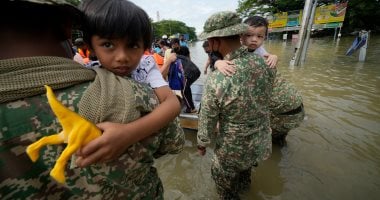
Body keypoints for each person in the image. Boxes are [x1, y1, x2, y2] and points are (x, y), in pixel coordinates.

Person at [0, 0, 184, 199]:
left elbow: (172, 103)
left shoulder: (146, 66)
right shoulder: (90, 70)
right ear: (90, 46)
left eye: (132, 45)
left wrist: (129, 134)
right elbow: (173, 143)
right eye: (108, 45)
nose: (122, 56)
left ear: (144, 47)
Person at [196, 11, 276, 199]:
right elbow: (266, 97)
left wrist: (202, 143)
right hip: (258, 143)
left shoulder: (218, 78)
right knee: (245, 179)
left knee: (226, 192)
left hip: (232, 150)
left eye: (209, 42)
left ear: (216, 41)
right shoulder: (265, 63)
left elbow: (207, 118)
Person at [216, 16, 305, 146]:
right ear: (240, 35)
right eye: (249, 35)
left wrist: (274, 56)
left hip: (282, 111)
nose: (254, 39)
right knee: (278, 140)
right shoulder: (239, 52)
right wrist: (218, 63)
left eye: (259, 36)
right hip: (294, 107)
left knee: (265, 142)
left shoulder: (262, 55)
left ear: (265, 37)